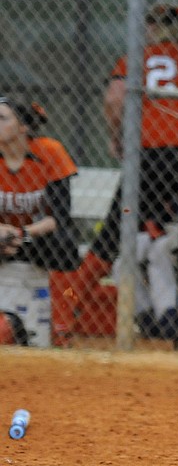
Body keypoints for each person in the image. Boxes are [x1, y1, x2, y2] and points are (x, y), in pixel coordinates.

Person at [62, 2, 178, 340]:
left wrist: (118, 138)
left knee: (114, 234)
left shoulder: (138, 58)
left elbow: (115, 99)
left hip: (154, 158)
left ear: (153, 28)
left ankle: (68, 311)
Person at [0, 97, 78, 346]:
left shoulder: (50, 151)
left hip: (36, 238)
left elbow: (59, 216)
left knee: (65, 244)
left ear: (23, 127)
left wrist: (21, 233)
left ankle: (61, 326)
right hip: (2, 237)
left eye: (2, 118)